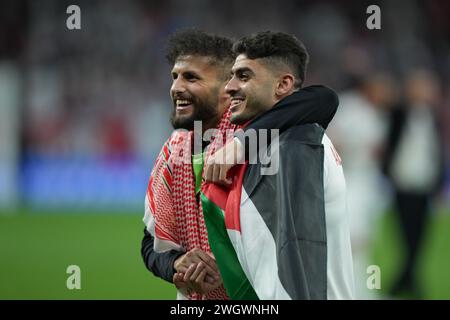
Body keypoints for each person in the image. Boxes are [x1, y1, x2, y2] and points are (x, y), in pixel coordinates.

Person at [141, 29, 339, 300]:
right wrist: (177, 263)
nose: (176, 87)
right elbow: (150, 243)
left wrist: (240, 144)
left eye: (191, 77)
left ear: (228, 88)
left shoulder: (258, 134)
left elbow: (323, 99)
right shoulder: (173, 150)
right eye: (174, 77)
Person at [203, 31, 355, 299]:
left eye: (244, 75)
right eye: (231, 76)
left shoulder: (296, 145)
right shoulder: (268, 145)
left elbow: (301, 253)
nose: (229, 87)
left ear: (283, 84)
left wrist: (240, 144)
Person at [382, 69, 445, 298]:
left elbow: (436, 153)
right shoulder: (399, 114)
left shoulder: (433, 117)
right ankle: (406, 282)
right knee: (406, 235)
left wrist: (438, 184)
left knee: (420, 237)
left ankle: (404, 281)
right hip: (403, 184)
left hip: (424, 185)